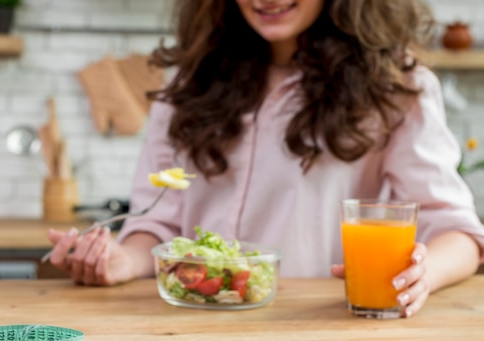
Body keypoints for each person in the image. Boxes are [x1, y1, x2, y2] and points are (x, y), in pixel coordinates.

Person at [47, 0, 484, 317]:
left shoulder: (395, 85)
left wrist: (423, 275)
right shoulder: (188, 84)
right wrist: (122, 260)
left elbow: (458, 231)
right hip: (194, 323)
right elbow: (157, 222)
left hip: (312, 332)